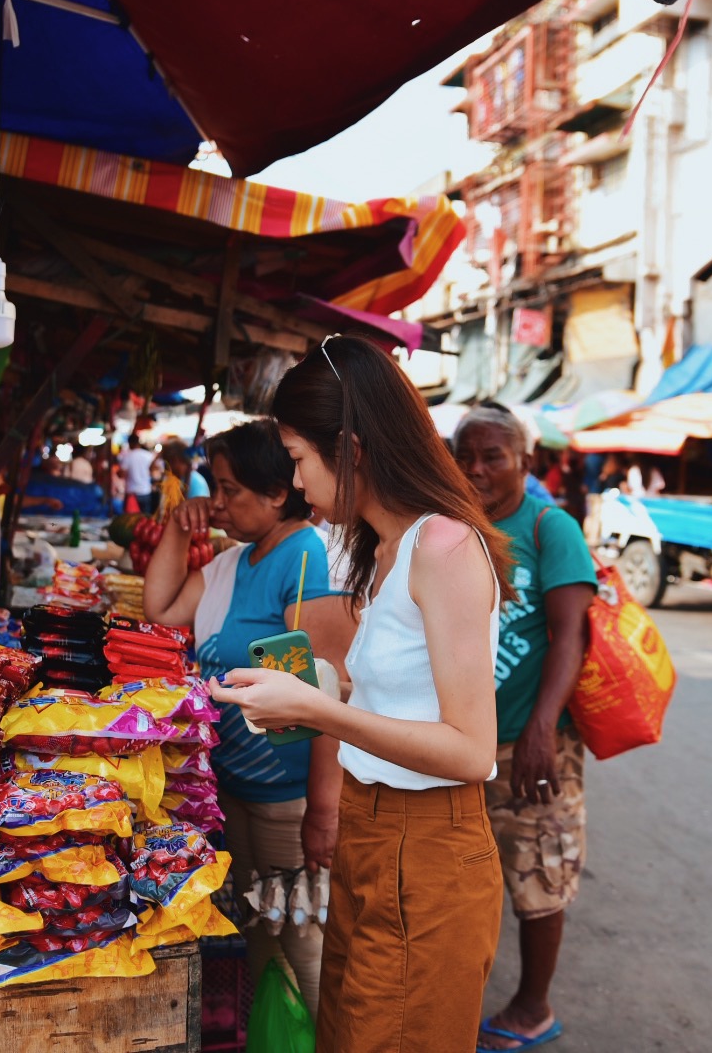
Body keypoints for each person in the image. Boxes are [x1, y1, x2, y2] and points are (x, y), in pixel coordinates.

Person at [212, 336, 516, 1053]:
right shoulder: (379, 550)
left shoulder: (443, 547)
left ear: (349, 447)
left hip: (432, 849)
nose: (296, 481)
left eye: (297, 459)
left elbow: (471, 751)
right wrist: (320, 687)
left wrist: (321, 710)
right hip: (370, 834)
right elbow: (401, 697)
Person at [143, 421, 355, 1016]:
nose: (219, 501)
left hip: (289, 797)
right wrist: (178, 529)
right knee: (262, 927)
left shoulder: (305, 556)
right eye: (216, 485)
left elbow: (329, 690)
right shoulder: (235, 562)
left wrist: (323, 811)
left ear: (277, 493)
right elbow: (160, 609)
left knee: (301, 938)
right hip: (235, 785)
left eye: (231, 489)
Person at [455, 404, 598, 1052]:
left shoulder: (549, 527)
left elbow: (572, 636)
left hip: (531, 743)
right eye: (467, 455)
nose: (477, 469)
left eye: (493, 456)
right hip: (463, 744)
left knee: (538, 874)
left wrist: (543, 726)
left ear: (523, 462)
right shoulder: (452, 525)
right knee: (468, 876)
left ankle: (533, 1006)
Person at [118, 434, 157, 513]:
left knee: (130, 521)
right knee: (145, 520)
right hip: (145, 491)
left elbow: (122, 475)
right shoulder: (148, 455)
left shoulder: (127, 456)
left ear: (130, 443)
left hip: (131, 493)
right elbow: (154, 472)